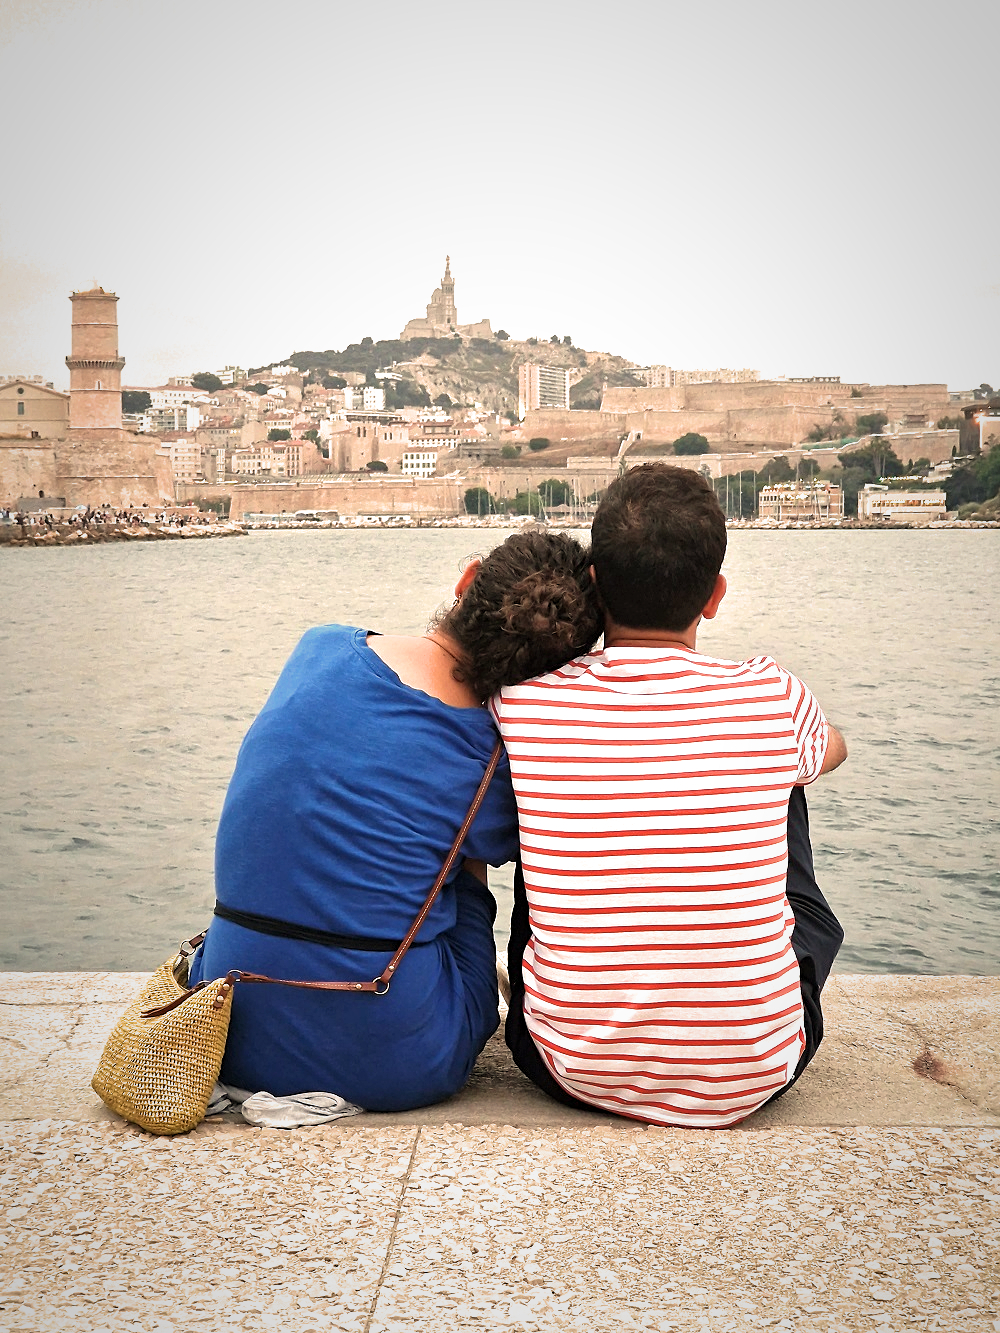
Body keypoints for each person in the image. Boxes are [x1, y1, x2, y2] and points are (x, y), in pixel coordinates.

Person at [189, 530, 602, 1112]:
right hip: (397, 1061)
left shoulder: (320, 647)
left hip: (229, 1028)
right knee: (461, 852)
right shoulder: (489, 758)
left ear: (467, 581)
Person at [492, 464, 848, 1129]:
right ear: (714, 595)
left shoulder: (522, 699)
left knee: (540, 800)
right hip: (756, 1071)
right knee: (792, 776)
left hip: (566, 1064)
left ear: (594, 587)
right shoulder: (772, 693)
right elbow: (834, 748)